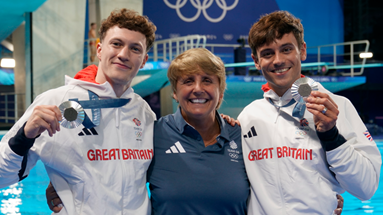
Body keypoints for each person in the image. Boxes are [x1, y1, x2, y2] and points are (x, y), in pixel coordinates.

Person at [46, 48, 344, 215]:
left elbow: (281, 172)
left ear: (220, 90)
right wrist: (70, 187)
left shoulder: (244, 137)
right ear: (175, 92)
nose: (198, 89)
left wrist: (319, 198)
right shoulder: (153, 133)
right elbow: (113, 166)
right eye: (187, 81)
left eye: (207, 80)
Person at [0, 8, 157, 215]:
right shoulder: (56, 101)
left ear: (144, 60)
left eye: (135, 48)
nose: (123, 54)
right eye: (116, 44)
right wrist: (24, 136)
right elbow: (3, 176)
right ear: (99, 50)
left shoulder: (144, 112)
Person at [238, 10, 382, 214]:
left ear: (302, 51)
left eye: (286, 49)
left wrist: (332, 137)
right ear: (256, 61)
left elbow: (366, 188)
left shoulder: (338, 106)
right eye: (267, 53)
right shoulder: (248, 116)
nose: (278, 60)